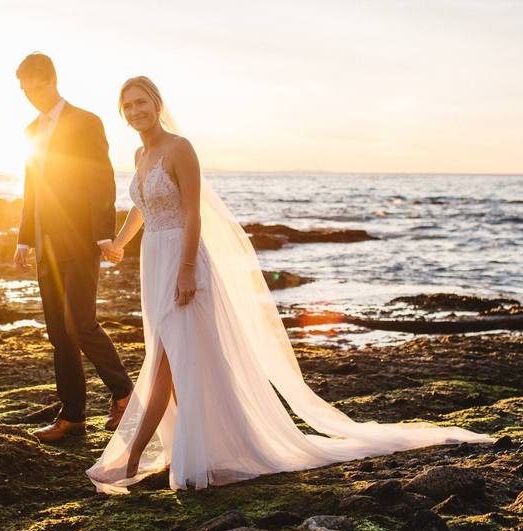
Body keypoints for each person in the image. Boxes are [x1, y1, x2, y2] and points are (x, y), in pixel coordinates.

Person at [86, 76, 493, 494]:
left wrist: (187, 268)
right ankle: (180, 449)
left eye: (141, 103)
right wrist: (119, 243)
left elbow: (193, 214)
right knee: (165, 359)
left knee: (167, 365)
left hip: (180, 260)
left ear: (156, 102)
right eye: (128, 106)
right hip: (154, 260)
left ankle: (137, 458)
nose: (136, 112)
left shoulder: (180, 148)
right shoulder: (140, 152)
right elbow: (143, 208)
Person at [13, 53, 134, 443]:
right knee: (57, 331)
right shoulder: (31, 129)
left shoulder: (86, 121)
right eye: (24, 89)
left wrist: (103, 234)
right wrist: (24, 238)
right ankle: (72, 418)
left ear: (51, 80)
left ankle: (125, 394)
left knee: (80, 322)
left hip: (80, 239)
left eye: (34, 87)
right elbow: (33, 188)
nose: (30, 96)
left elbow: (102, 179)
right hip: (45, 243)